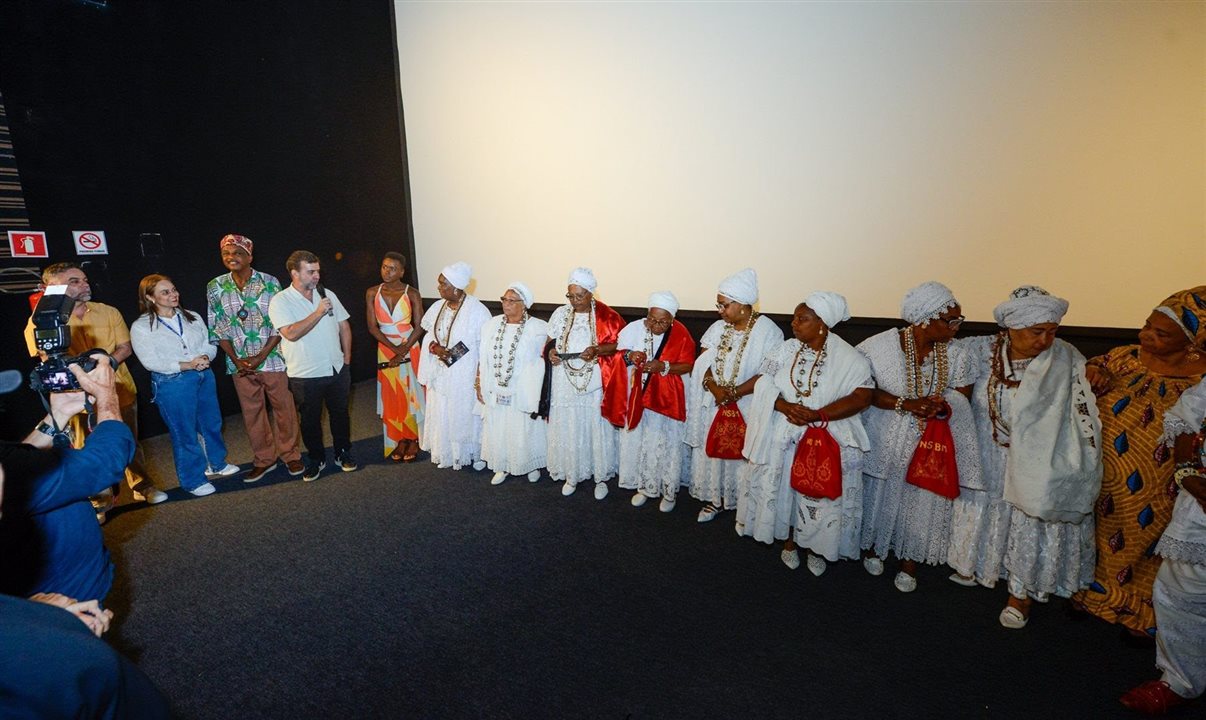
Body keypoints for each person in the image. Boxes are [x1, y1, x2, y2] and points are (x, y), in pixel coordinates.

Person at [951, 286, 1101, 628]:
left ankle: (1021, 593)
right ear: (1010, 328)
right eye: (1037, 332)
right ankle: (981, 565)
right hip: (991, 450)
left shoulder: (1066, 356)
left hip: (1039, 458)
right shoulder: (979, 350)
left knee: (1029, 519)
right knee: (986, 507)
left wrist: (1098, 370)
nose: (1045, 340)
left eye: (1052, 331)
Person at [1070, 286, 1206, 641]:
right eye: (1147, 325)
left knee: (1145, 538)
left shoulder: (1201, 382)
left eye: (1161, 334)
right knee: (1097, 531)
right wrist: (1092, 371)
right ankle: (1093, 591)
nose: (1146, 335)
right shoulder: (1123, 356)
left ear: (1192, 343)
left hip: (1158, 484)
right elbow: (1087, 372)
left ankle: (1138, 605)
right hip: (1102, 474)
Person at [736, 293, 873, 576]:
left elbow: (862, 397)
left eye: (802, 319)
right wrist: (783, 405)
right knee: (786, 489)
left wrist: (817, 415)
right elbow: (763, 382)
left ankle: (816, 548)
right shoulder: (785, 350)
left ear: (823, 324)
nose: (794, 324)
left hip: (827, 434)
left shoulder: (850, 357)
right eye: (794, 318)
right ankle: (789, 542)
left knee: (819, 495)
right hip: (785, 431)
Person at [857, 281, 979, 593]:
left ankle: (909, 561)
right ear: (926, 319)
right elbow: (864, 391)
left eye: (958, 320)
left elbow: (962, 394)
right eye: (950, 320)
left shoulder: (958, 354)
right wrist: (906, 404)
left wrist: (942, 405)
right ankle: (874, 547)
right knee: (881, 492)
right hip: (886, 434)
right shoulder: (879, 347)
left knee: (920, 499)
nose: (956, 326)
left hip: (931, 440)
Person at [23, 262, 165, 516]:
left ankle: (143, 485)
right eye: (75, 281)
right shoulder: (39, 322)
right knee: (85, 449)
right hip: (75, 399)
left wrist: (105, 365)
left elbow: (125, 347)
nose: (84, 284)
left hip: (119, 391)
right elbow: (46, 357)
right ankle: (101, 501)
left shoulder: (108, 312)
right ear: (53, 288)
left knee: (128, 441)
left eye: (84, 279)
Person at [0, 359, 132, 602]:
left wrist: (58, 414)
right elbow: (104, 464)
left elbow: (17, 459)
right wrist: (107, 399)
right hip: (65, 602)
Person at [1118, 371, 1206, 715]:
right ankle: (1179, 680)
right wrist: (1187, 472)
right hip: (1199, 505)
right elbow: (1185, 418)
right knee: (1178, 591)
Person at [685, 268, 783, 522]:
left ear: (741, 305)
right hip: (716, 400)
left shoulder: (768, 331)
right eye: (718, 305)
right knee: (715, 451)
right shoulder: (718, 328)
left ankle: (744, 506)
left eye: (724, 305)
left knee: (742, 454)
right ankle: (714, 500)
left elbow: (768, 373)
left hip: (748, 405)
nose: (720, 310)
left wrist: (735, 393)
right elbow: (703, 363)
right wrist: (715, 389)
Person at [206, 233, 305, 482]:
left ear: (249, 256)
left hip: (272, 358)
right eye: (226, 253)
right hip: (238, 363)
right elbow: (217, 326)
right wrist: (237, 359)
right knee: (252, 413)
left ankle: (291, 455)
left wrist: (261, 355)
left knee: (285, 408)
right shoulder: (215, 286)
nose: (232, 257)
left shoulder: (269, 282)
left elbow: (280, 322)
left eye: (238, 253)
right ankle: (264, 459)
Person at [130, 274, 239, 496]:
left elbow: (209, 343)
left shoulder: (192, 317)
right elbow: (150, 362)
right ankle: (193, 480)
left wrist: (205, 358)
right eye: (165, 292)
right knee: (185, 432)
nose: (173, 294)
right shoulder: (141, 327)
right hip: (172, 383)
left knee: (211, 423)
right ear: (150, 297)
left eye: (174, 289)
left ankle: (216, 464)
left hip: (203, 375)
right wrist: (186, 364)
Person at [268, 250, 357, 481]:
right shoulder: (280, 301)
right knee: (310, 421)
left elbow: (344, 326)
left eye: (318, 271)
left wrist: (346, 360)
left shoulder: (327, 294)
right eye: (311, 271)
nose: (317, 276)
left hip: (337, 369)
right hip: (305, 374)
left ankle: (343, 452)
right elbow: (291, 333)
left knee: (340, 415)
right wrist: (318, 312)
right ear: (294, 273)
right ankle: (316, 459)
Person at [546, 267, 626, 499]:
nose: (574, 301)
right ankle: (572, 473)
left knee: (593, 424)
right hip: (564, 378)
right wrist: (550, 352)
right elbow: (550, 341)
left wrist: (598, 349)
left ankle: (600, 477)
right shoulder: (560, 314)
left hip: (593, 380)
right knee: (569, 423)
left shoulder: (608, 316)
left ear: (591, 293)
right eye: (570, 295)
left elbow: (619, 346)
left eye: (579, 296)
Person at [616, 291, 696, 512]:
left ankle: (669, 492)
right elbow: (618, 355)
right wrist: (631, 355)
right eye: (652, 319)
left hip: (668, 399)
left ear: (672, 320)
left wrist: (664, 367)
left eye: (662, 321)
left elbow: (689, 365)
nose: (655, 325)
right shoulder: (634, 328)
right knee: (644, 443)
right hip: (640, 397)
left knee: (667, 443)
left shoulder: (680, 334)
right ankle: (645, 487)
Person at [417, 262, 491, 471]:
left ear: (456, 287)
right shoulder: (437, 307)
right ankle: (448, 452)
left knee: (464, 411)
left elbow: (481, 346)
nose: (438, 288)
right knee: (443, 409)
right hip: (440, 370)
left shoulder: (478, 311)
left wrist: (454, 357)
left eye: (443, 284)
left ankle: (472, 453)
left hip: (465, 373)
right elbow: (429, 335)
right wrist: (435, 348)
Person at [475, 282, 548, 485]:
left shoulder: (539, 328)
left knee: (525, 428)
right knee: (499, 426)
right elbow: (483, 357)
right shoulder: (491, 325)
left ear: (524, 305)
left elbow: (544, 361)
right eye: (504, 299)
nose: (506, 304)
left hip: (523, 389)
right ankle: (502, 465)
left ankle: (530, 464)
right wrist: (480, 381)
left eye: (512, 300)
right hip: (496, 387)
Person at [365, 252, 425, 462]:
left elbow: (419, 327)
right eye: (384, 266)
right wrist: (393, 349)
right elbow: (372, 327)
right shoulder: (372, 292)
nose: (386, 271)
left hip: (409, 346)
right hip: (386, 346)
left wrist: (404, 349)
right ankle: (399, 438)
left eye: (392, 268)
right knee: (392, 394)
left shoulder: (412, 293)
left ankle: (413, 438)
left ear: (401, 272)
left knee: (411, 393)